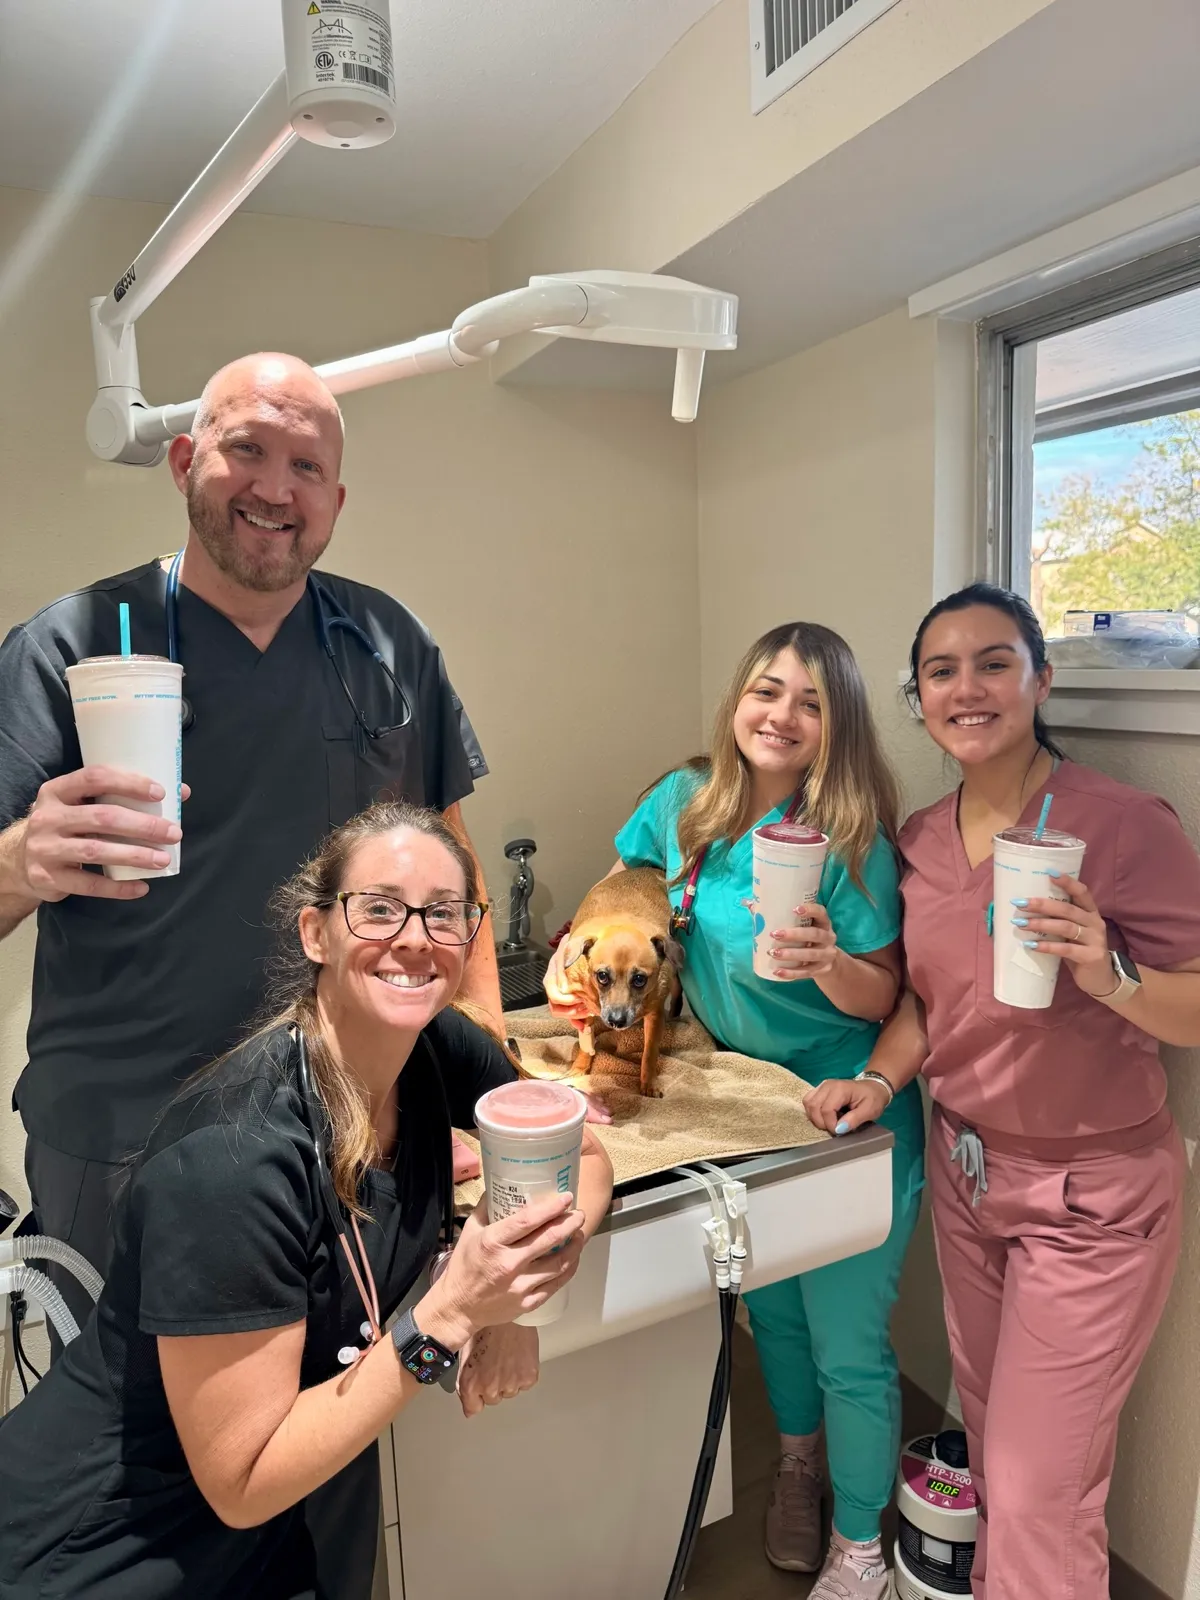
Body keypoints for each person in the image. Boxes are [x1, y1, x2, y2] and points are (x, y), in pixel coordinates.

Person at [0, 352, 502, 1332]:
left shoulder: (387, 642)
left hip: (337, 1124)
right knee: (125, 1453)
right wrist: (21, 859)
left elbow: (452, 865)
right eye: (246, 450)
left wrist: (477, 1072)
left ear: (336, 499)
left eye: (306, 467)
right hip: (121, 1140)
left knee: (319, 1417)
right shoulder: (74, 645)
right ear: (186, 460)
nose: (277, 488)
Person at [0, 801, 614, 1599]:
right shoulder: (232, 1160)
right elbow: (241, 1478)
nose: (415, 937)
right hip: (102, 1546)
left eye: (443, 914)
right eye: (380, 909)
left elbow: (583, 1155)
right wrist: (454, 1314)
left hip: (262, 1540)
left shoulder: (435, 1047)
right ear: (315, 933)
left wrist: (521, 1299)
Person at [806, 584, 1200, 1600]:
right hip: (969, 1170)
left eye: (994, 662)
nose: (967, 687)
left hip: (1093, 1199)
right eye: (942, 670)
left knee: (1036, 1491)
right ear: (919, 696)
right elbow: (929, 1005)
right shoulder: (922, 842)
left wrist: (1108, 973)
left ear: (1042, 679)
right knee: (990, 1449)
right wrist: (877, 1078)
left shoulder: (1119, 825)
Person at [547, 622, 925, 1599]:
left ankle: (857, 1548)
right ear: (737, 701)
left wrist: (827, 961)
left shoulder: (853, 841)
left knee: (847, 1342)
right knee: (775, 1318)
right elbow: (625, 894)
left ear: (835, 724)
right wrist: (574, 945)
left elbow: (889, 998)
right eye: (767, 691)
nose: (782, 715)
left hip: (842, 1110)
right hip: (739, 1101)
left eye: (809, 701)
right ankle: (797, 1470)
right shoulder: (684, 804)